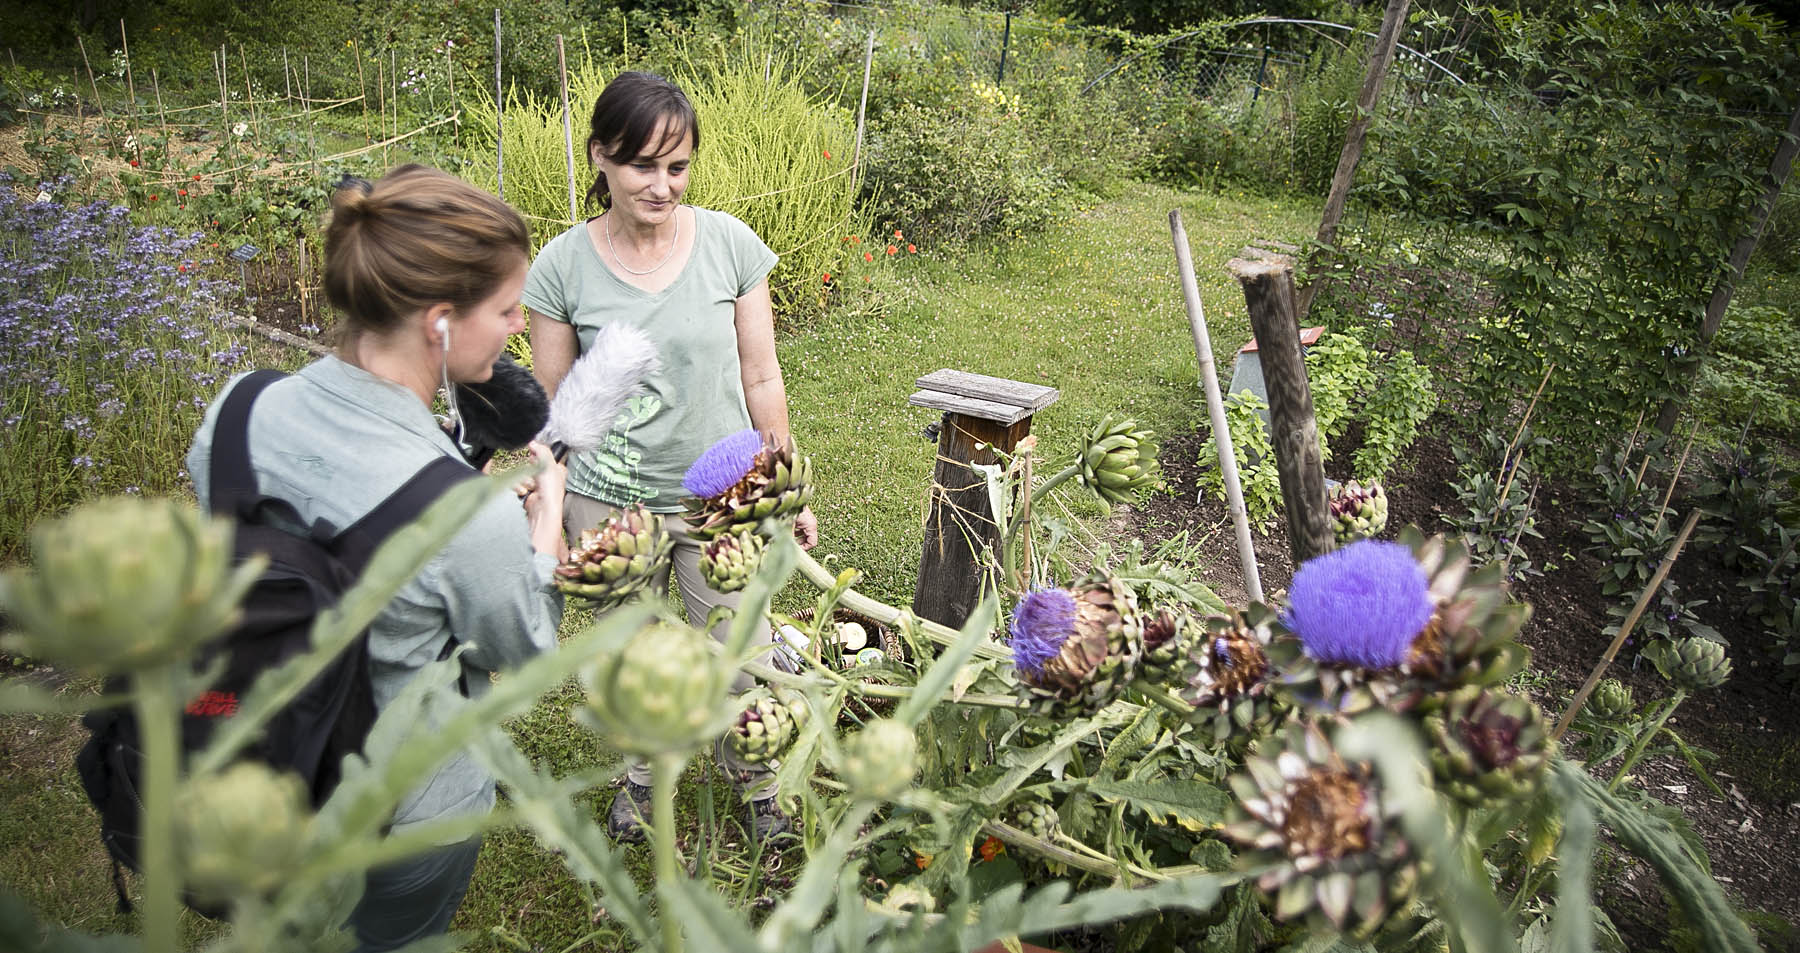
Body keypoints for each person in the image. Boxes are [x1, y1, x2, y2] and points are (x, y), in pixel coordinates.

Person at [186, 165, 567, 951]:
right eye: (506, 309)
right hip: (402, 816)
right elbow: (524, 653)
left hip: (241, 766)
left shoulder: (237, 410)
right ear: (439, 323)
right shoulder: (463, 516)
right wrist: (543, 525)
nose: (518, 326)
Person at [523, 71, 816, 844]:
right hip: (610, 505)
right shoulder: (561, 266)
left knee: (740, 648)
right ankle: (641, 779)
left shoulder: (729, 246)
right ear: (600, 157)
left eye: (677, 166)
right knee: (635, 659)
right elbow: (553, 407)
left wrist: (783, 485)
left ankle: (757, 782)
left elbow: (761, 375)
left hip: (720, 497)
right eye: (642, 165)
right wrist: (548, 511)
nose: (662, 185)